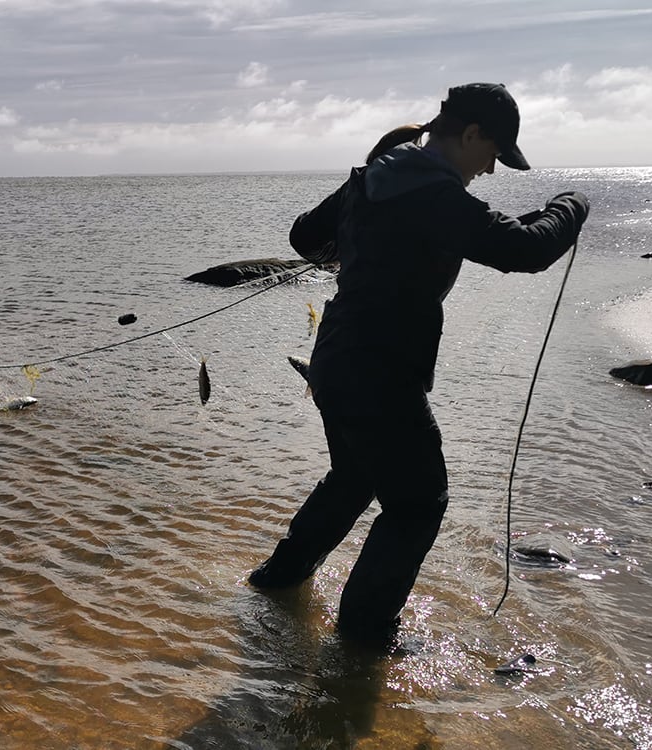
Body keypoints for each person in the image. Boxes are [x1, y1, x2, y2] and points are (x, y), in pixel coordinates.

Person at [247, 83, 590, 644]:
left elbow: (305, 237)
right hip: (382, 370)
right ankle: (362, 638)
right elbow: (525, 251)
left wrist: (360, 255)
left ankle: (278, 579)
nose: (491, 169)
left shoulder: (380, 174)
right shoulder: (433, 193)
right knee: (417, 505)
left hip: (337, 357)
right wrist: (572, 206)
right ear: (472, 134)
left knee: (354, 477)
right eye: (494, 155)